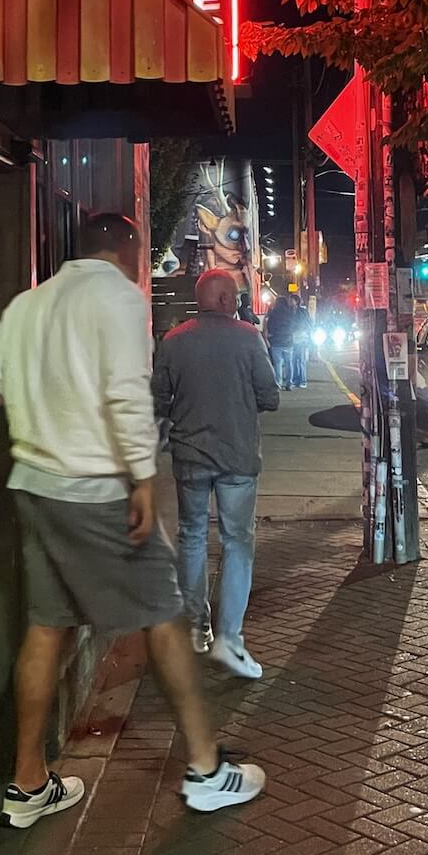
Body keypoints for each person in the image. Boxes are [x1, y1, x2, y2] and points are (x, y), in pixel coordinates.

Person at [0, 213, 264, 827]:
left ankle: (28, 784)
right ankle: (207, 771)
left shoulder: (28, 304)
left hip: (33, 489)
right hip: (97, 490)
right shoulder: (122, 300)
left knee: (47, 626)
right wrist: (143, 478)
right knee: (163, 616)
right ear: (126, 252)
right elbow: (129, 392)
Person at [153, 269, 280, 678]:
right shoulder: (248, 337)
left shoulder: (173, 341)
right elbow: (270, 397)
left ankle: (196, 628)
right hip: (237, 456)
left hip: (189, 456)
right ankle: (229, 639)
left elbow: (158, 399)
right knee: (237, 543)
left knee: (192, 537)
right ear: (226, 300)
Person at [264, 292, 297, 389]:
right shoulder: (290, 313)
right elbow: (294, 326)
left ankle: (278, 382)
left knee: (278, 364)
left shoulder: (273, 314)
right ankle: (289, 384)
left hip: (276, 342)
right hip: (288, 341)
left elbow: (269, 326)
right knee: (289, 363)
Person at [290, 297, 314, 388]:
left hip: (302, 338)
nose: (290, 302)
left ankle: (303, 381)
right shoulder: (290, 311)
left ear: (296, 302)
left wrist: (307, 333)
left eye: (291, 300)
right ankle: (296, 380)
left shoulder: (302, 311)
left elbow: (307, 323)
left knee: (301, 360)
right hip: (293, 338)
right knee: (294, 360)